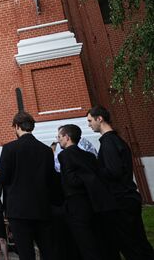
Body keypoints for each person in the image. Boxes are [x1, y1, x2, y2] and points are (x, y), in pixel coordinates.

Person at [87, 106, 154, 260]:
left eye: (90, 121)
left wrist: (94, 171)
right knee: (138, 242)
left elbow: (113, 171)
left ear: (100, 119)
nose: (89, 125)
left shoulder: (109, 142)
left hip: (121, 200)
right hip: (127, 198)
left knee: (131, 246)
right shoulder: (116, 140)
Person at [0, 111, 56, 260]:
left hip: (19, 210)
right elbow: (51, 180)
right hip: (42, 208)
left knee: (25, 253)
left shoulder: (9, 149)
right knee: (48, 251)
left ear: (17, 126)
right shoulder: (46, 150)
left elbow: (2, 179)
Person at [57, 124, 118, 260]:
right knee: (98, 239)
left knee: (85, 243)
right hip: (94, 203)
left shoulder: (65, 155)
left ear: (67, 137)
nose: (58, 139)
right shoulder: (89, 156)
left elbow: (71, 180)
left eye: (60, 137)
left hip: (76, 204)